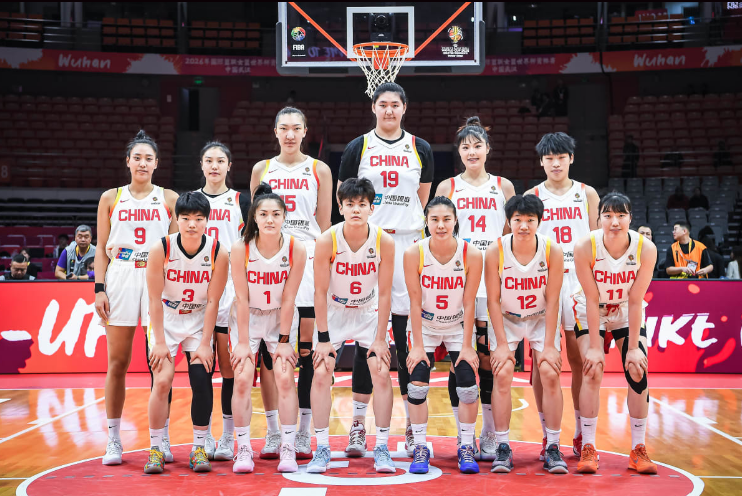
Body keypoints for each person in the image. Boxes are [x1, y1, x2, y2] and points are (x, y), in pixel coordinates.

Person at [337, 82, 434, 454]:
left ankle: (410, 425)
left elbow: (421, 199)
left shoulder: (420, 148)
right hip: (370, 244)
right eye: (383, 104)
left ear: (404, 108)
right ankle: (358, 424)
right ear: (373, 108)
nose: (389, 110)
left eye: (395, 104)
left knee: (406, 336)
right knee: (367, 337)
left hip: (408, 244)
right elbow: (346, 199)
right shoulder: (358, 147)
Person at [250, 106, 332, 459]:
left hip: (308, 258)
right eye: (283, 128)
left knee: (306, 351)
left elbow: (325, 227)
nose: (289, 134)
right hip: (271, 259)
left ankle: (302, 432)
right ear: (275, 131)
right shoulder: (262, 169)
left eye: (296, 128)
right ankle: (273, 432)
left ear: (305, 131)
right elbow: (254, 222)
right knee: (271, 353)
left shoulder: (319, 169)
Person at [94, 130, 178, 466]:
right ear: (127, 161)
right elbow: (101, 249)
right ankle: (113, 440)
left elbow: (176, 250)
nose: (142, 163)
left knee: (160, 363)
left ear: (157, 163)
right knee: (117, 363)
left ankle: (162, 437)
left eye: (148, 158)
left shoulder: (169, 198)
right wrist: (99, 288)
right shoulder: (110, 197)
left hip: (157, 277)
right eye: (137, 157)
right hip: (121, 276)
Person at [434, 116, 514, 459]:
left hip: (494, 282)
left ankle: (490, 433)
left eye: (477, 146)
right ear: (459, 152)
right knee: (461, 360)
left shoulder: (504, 187)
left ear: (488, 149)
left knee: (489, 360)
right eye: (465, 147)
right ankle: (462, 434)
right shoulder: (447, 187)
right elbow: (437, 237)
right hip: (459, 281)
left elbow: (512, 236)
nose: (471, 151)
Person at [307, 178, 396, 473]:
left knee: (380, 371)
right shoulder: (327, 240)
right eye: (350, 204)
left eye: (362, 204)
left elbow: (385, 293)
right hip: (335, 311)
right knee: (321, 372)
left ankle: (381, 446)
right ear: (340, 207)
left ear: (372, 208)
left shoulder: (384, 241)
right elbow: (319, 291)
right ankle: (322, 447)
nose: (356, 209)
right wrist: (322, 338)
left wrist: (381, 338)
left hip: (368, 311)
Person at [571, 191, 658, 475]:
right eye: (608, 215)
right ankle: (588, 446)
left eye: (621, 215)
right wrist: (595, 348)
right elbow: (591, 297)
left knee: (637, 369)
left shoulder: (646, 249)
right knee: (592, 368)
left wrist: (633, 349)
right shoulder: (585, 246)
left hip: (624, 308)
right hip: (592, 308)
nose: (615, 221)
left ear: (631, 218)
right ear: (599, 219)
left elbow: (635, 300)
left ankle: (638, 448)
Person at [525, 132, 599, 459]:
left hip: (580, 281)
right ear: (541, 161)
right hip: (544, 282)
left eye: (561, 157)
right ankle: (547, 436)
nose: (555, 163)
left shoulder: (587, 193)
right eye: (549, 158)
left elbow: (597, 242)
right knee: (542, 363)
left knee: (579, 359)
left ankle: (582, 433)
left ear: (571, 159)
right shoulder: (532, 196)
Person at [143, 192, 228, 475]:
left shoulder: (218, 251)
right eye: (186, 218)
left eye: (198, 219)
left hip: (198, 319)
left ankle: (199, 447)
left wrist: (205, 344)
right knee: (162, 381)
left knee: (201, 381)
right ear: (176, 219)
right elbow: (153, 299)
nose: (192, 224)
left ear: (207, 221)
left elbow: (213, 301)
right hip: (165, 319)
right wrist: (159, 341)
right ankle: (156, 448)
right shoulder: (161, 248)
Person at [485, 195, 567, 474]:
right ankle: (503, 446)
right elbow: (492, 300)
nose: (523, 225)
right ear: (509, 221)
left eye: (530, 220)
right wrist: (501, 344)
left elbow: (553, 301)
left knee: (550, 372)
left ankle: (553, 446)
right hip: (507, 318)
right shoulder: (495, 251)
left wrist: (550, 345)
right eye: (517, 219)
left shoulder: (552, 250)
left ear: (539, 222)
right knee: (503, 372)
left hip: (541, 318)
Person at [229, 184, 307, 473]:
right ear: (254, 217)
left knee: (284, 378)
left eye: (276, 214)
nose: (270, 219)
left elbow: (289, 297)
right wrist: (242, 342)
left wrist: (284, 341)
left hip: (279, 318)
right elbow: (241, 298)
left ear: (285, 216)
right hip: (247, 317)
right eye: (263, 214)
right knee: (242, 378)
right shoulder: (241, 248)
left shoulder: (296, 248)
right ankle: (243, 449)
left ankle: (287, 446)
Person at [403, 196, 483, 475]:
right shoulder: (414, 253)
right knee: (417, 386)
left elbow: (470, 302)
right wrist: (417, 345)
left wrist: (467, 346)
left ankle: (466, 445)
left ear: (455, 220)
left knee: (468, 386)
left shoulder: (471, 254)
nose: (440, 225)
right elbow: (414, 301)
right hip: (425, 326)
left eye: (446, 219)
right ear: (426, 222)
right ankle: (420, 446)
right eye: (434, 219)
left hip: (457, 325)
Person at [196, 142, 251, 461]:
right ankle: (203, 435)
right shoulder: (191, 200)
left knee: (229, 368)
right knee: (202, 366)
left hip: (230, 288)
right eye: (209, 160)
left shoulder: (241, 201)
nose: (214, 165)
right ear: (201, 165)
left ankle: (228, 436)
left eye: (220, 161)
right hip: (197, 287)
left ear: (229, 165)